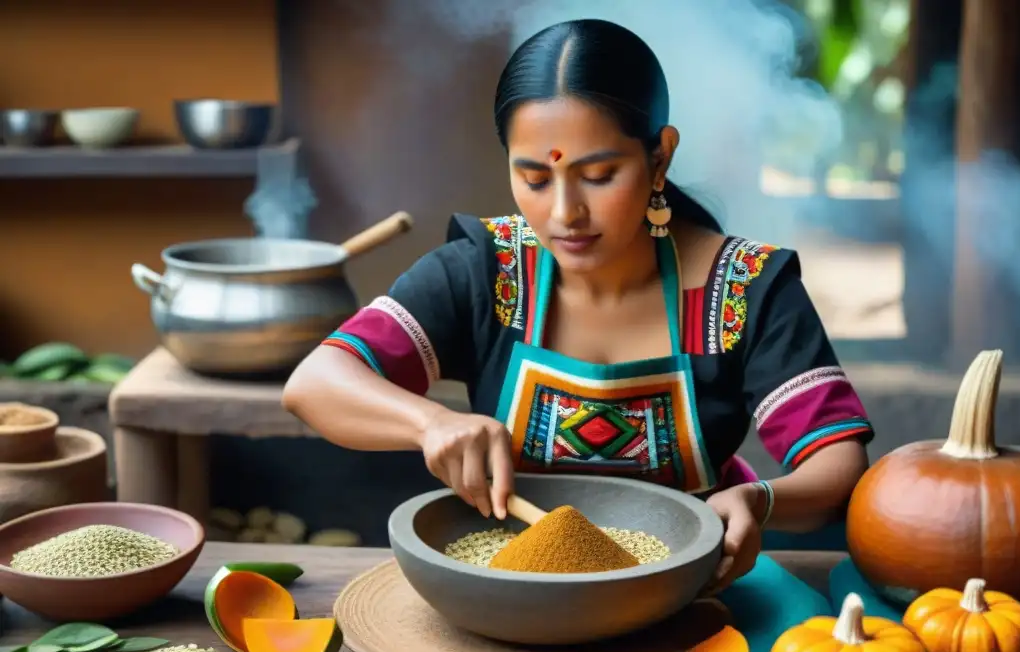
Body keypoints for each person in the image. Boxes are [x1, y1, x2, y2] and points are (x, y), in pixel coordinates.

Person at [282, 18, 873, 592]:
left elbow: (837, 464)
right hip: (511, 589)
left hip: (686, 593)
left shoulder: (743, 287)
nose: (565, 214)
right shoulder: (486, 272)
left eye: (599, 175)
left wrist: (759, 499)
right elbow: (315, 384)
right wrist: (430, 422)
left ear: (660, 157)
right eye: (535, 179)